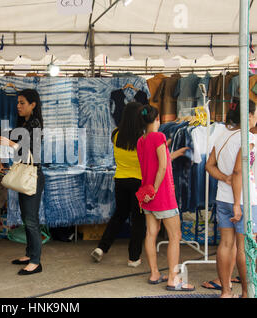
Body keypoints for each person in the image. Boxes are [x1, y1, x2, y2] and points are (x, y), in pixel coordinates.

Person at [137, 104, 195, 292]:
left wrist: (175, 153)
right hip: (161, 195)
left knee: (151, 234)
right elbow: (162, 167)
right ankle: (173, 277)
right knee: (175, 236)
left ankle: (154, 273)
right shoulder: (159, 137)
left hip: (147, 196)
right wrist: (155, 188)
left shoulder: (141, 140)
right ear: (158, 119)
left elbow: (155, 163)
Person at [205, 99, 257, 298]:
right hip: (242, 201)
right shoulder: (248, 139)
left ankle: (226, 292)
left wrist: (223, 178)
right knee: (244, 248)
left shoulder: (222, 134)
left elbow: (209, 166)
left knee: (226, 244)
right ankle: (246, 292)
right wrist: (237, 203)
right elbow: (238, 171)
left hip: (223, 198)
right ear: (249, 115)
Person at [90, 102, 147, 267]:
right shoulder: (143, 138)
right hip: (139, 182)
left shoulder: (115, 134)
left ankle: (102, 247)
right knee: (138, 220)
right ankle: (133, 258)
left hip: (120, 180)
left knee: (119, 215)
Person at [0, 89, 45, 275]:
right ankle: (29, 254)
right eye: (18, 102)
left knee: (31, 220)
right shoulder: (25, 123)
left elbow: (32, 151)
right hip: (26, 173)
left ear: (33, 105)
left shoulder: (35, 124)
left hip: (32, 175)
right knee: (27, 218)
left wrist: (11, 144)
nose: (18, 106)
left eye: (22, 102)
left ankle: (36, 261)